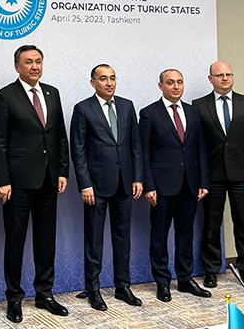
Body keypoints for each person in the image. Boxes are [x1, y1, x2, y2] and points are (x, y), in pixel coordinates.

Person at [0, 45, 69, 323]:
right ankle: (14, 297)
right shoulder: (6, 95)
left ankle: (44, 293)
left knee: (46, 239)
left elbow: (60, 135)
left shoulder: (52, 93)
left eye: (38, 61)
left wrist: (63, 171)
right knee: (15, 241)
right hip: (18, 183)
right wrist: (3, 180)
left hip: (49, 179)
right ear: (17, 67)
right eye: (28, 62)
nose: (34, 66)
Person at [70, 64, 144, 311]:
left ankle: (123, 286)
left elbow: (135, 145)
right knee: (94, 241)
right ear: (93, 83)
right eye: (103, 79)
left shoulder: (127, 106)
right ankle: (93, 289)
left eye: (112, 78)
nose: (109, 83)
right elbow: (78, 150)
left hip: (124, 183)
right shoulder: (83, 109)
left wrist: (138, 178)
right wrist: (85, 184)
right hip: (96, 186)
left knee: (123, 238)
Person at [139, 69, 211, 302]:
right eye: (170, 83)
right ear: (161, 86)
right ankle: (162, 281)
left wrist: (203, 181)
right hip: (161, 187)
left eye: (179, 82)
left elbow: (200, 149)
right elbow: (144, 153)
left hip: (190, 185)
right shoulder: (149, 113)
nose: (176, 86)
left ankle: (185, 279)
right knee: (159, 236)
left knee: (185, 234)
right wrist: (149, 185)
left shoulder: (193, 112)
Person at [193, 60, 244, 291]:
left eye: (228, 74)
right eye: (220, 75)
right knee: (211, 225)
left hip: (242, 175)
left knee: (243, 224)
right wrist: (200, 178)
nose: (225, 78)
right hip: (212, 176)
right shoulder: (198, 105)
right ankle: (211, 270)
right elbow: (197, 145)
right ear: (210, 79)